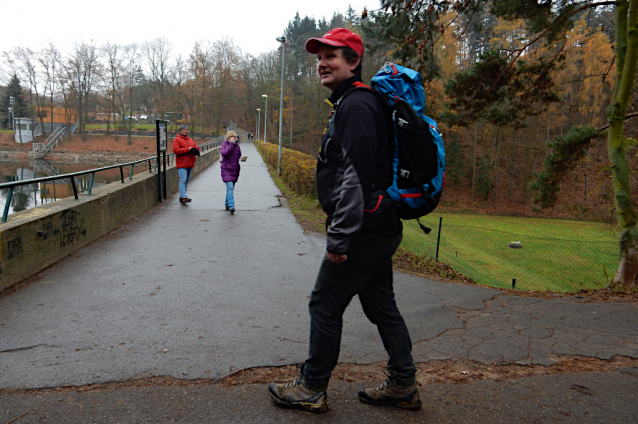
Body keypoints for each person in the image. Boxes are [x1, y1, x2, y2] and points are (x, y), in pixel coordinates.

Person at [268, 28, 420, 413]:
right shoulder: (355, 102)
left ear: (353, 62)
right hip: (377, 225)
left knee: (324, 304)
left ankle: (312, 387)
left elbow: (355, 176)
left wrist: (339, 240)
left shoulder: (355, 105)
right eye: (319, 57)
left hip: (363, 230)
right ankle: (403, 383)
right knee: (381, 306)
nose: (322, 63)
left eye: (332, 56)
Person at [172, 125, 199, 205]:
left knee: (186, 181)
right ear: (180, 131)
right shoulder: (177, 140)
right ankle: (183, 196)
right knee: (183, 180)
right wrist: (188, 149)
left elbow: (196, 147)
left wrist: (196, 150)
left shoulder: (190, 140)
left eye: (187, 130)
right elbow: (176, 150)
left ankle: (182, 197)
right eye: (184, 130)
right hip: (182, 163)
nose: (185, 131)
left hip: (190, 163)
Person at [220, 130, 242, 214]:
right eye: (231, 137)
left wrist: (242, 158)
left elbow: (238, 155)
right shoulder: (224, 145)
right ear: (228, 138)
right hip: (226, 169)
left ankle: (227, 204)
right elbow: (225, 154)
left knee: (230, 188)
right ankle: (232, 206)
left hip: (235, 169)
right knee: (230, 188)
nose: (233, 138)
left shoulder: (237, 146)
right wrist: (232, 144)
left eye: (235, 136)